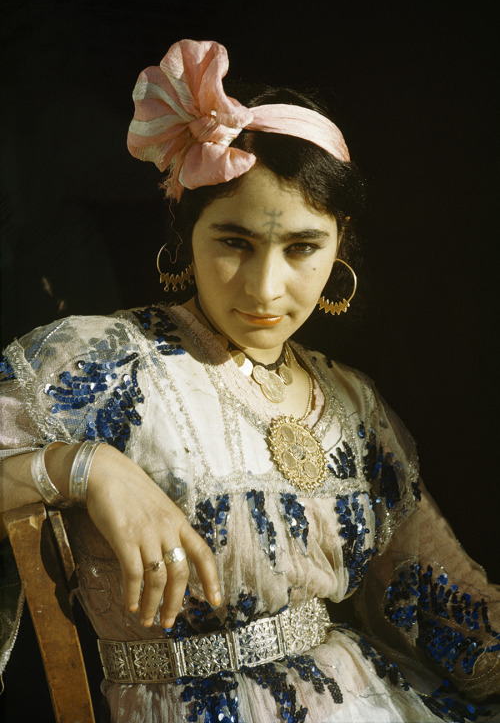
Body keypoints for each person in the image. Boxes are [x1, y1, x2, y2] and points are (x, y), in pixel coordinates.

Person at [0, 39, 499, 723]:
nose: (265, 287)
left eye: (302, 248)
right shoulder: (106, 362)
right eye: (234, 243)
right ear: (185, 234)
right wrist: (86, 465)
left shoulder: (351, 401)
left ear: (340, 243)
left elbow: (444, 601)